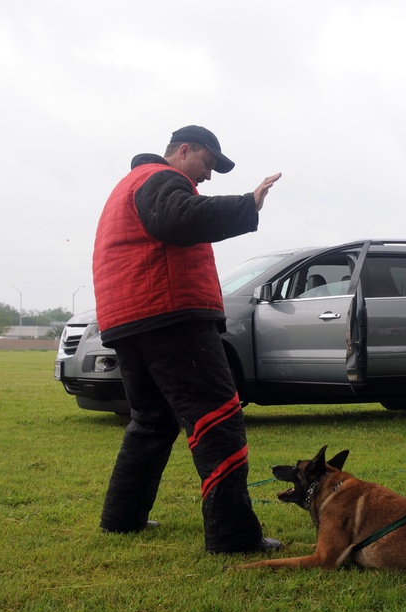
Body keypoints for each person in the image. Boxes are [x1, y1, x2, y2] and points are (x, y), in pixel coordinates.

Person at [93, 125, 283, 554]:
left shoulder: (130, 186)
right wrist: (246, 205)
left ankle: (122, 519)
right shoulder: (161, 180)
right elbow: (178, 219)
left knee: (151, 423)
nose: (209, 176)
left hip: (130, 319)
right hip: (169, 315)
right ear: (183, 151)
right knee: (217, 420)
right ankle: (234, 538)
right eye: (208, 163)